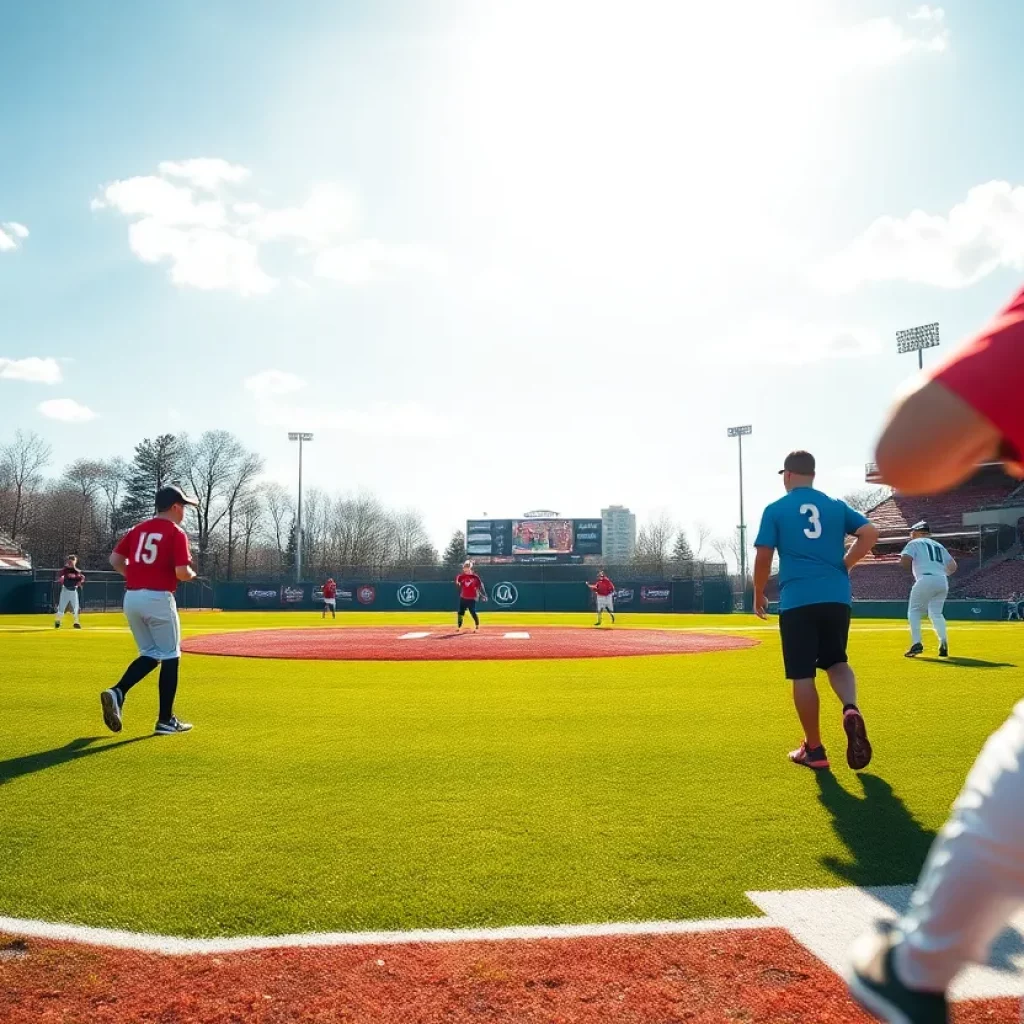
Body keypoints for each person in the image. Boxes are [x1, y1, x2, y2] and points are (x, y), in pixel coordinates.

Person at [847, 282, 1024, 1023]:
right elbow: (951, 565)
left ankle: (916, 971)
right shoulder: (935, 545)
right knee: (938, 616)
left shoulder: (911, 531)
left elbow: (906, 452)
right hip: (941, 583)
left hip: (921, 580)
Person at [753, 450, 880, 771]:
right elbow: (870, 533)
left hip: (798, 599)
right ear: (813, 474)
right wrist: (845, 564)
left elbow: (764, 556)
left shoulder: (776, 509)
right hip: (837, 597)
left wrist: (757, 592)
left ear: (788, 475)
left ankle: (815, 749)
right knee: (837, 661)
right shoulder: (835, 506)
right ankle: (850, 708)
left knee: (802, 674)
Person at [100, 485, 199, 736]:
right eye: (184, 507)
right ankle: (165, 720)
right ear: (176, 507)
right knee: (170, 657)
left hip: (131, 597)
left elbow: (114, 561)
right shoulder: (176, 532)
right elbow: (181, 572)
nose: (184, 512)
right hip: (158, 598)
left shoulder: (137, 529)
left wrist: (135, 574)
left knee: (151, 654)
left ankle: (118, 691)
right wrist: (191, 574)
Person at [901, 521, 957, 659]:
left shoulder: (914, 543)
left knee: (914, 611)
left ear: (916, 532)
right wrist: (940, 573)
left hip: (925, 578)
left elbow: (905, 559)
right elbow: (953, 566)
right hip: (942, 580)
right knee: (936, 614)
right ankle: (943, 642)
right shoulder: (939, 545)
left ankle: (916, 643)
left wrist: (908, 571)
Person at [54, 554, 85, 629]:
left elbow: (81, 578)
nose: (72, 562)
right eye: (70, 560)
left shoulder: (77, 571)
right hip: (65, 590)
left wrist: (80, 580)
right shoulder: (65, 570)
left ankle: (76, 623)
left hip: (73, 591)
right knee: (61, 609)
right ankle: (57, 621)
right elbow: (64, 576)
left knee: (76, 608)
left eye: (73, 560)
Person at [455, 560, 487, 632]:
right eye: (464, 568)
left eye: (467, 567)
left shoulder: (475, 577)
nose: (465, 569)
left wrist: (482, 595)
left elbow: (479, 587)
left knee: (472, 612)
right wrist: (458, 584)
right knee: (460, 613)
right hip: (463, 597)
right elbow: (458, 582)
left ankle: (477, 626)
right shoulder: (461, 576)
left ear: (470, 568)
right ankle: (459, 627)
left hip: (472, 598)